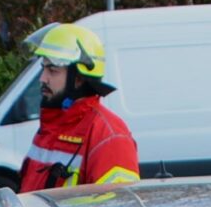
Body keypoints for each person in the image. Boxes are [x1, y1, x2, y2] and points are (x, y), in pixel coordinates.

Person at [18, 22, 140, 193]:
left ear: (79, 79)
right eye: (43, 69)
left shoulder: (109, 137)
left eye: (52, 71)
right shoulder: (52, 127)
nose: (42, 79)